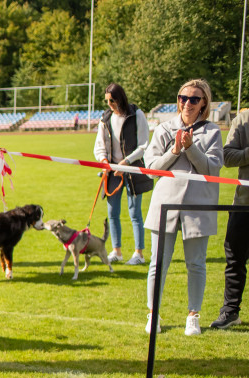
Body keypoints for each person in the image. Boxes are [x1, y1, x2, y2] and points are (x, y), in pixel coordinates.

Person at [143, 78, 223, 337]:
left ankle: (193, 316)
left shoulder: (212, 132)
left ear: (204, 103)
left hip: (198, 207)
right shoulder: (165, 129)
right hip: (165, 205)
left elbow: (212, 168)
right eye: (182, 98)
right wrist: (175, 150)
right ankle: (153, 314)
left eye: (194, 99)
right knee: (158, 263)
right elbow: (152, 169)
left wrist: (192, 149)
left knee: (196, 264)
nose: (187, 103)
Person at [93, 84, 153, 265]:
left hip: (133, 170)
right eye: (107, 101)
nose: (110, 104)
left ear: (120, 99)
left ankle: (139, 254)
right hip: (112, 173)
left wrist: (126, 163)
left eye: (112, 100)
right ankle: (116, 251)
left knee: (135, 213)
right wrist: (104, 161)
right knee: (112, 213)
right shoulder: (105, 118)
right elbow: (99, 145)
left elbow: (143, 145)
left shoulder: (137, 115)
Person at [212, 107, 249, 329]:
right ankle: (230, 311)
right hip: (244, 204)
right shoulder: (243, 118)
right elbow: (227, 156)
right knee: (234, 259)